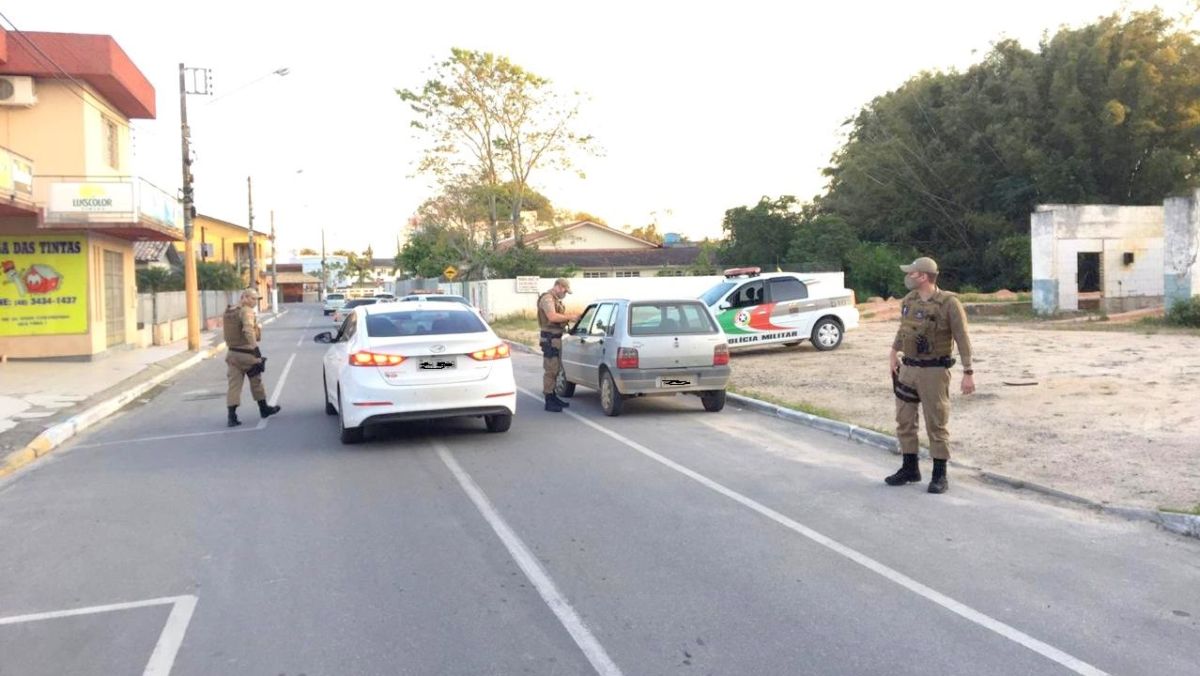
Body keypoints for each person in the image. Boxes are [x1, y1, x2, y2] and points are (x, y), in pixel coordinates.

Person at [885, 257, 975, 493]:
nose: (908, 276)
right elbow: (903, 329)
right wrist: (894, 352)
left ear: (923, 276)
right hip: (908, 368)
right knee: (904, 420)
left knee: (936, 422)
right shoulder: (909, 300)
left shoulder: (949, 303)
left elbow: (963, 338)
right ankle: (910, 468)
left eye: (912, 273)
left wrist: (968, 371)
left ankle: (939, 474)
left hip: (934, 370)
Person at [224, 289, 281, 427]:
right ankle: (264, 409)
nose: (255, 302)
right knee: (256, 382)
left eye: (256, 299)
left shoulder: (230, 311)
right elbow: (248, 330)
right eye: (253, 299)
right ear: (244, 298)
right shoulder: (246, 311)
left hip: (232, 354)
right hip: (246, 354)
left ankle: (232, 416)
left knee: (234, 385)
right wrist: (256, 350)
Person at [537, 278, 581, 412]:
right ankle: (549, 399)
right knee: (551, 370)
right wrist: (570, 317)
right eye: (565, 291)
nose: (565, 294)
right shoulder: (547, 299)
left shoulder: (555, 299)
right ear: (559, 286)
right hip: (550, 339)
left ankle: (553, 395)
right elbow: (552, 317)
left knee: (556, 369)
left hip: (556, 338)